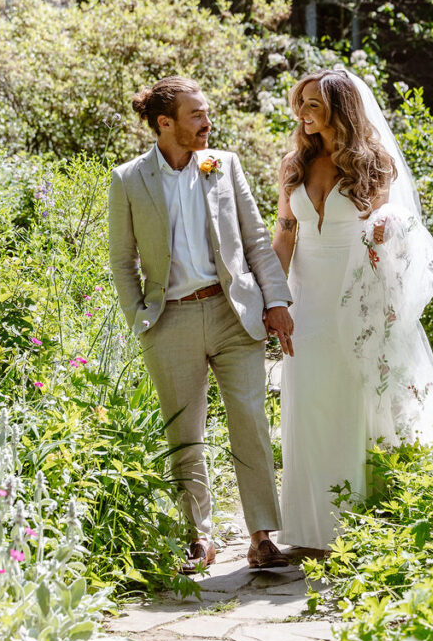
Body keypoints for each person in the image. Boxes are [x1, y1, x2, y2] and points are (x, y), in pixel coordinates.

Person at [108, 76, 294, 572]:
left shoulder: (223, 165)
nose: (207, 123)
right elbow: (122, 262)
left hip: (235, 314)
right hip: (169, 321)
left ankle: (261, 537)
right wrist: (140, 321)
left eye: (206, 113)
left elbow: (255, 241)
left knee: (250, 423)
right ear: (165, 123)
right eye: (196, 115)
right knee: (184, 433)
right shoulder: (128, 179)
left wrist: (276, 301)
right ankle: (200, 538)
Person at [271, 68, 433, 551]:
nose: (302, 113)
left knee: (354, 407)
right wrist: (273, 297)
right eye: (301, 103)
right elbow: (285, 233)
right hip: (305, 300)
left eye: (313, 104)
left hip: (355, 302)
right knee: (307, 404)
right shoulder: (293, 164)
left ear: (340, 108)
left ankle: (354, 530)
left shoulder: (375, 165)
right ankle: (308, 531)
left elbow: (389, 239)